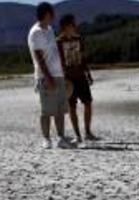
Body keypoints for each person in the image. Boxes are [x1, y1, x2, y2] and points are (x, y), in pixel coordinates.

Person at [28, 2, 75, 150]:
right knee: (47, 110)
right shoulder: (36, 32)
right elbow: (39, 57)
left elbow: (54, 53)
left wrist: (63, 73)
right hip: (45, 76)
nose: (54, 16)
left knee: (60, 109)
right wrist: (48, 78)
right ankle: (46, 139)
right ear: (47, 14)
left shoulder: (49, 29)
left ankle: (61, 138)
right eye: (52, 13)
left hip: (58, 73)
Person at [56, 14, 99, 143]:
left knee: (88, 103)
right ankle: (77, 135)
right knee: (72, 107)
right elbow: (56, 62)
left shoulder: (79, 39)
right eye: (72, 24)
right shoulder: (58, 42)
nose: (75, 26)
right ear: (65, 27)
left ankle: (87, 132)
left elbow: (83, 58)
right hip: (68, 79)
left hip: (81, 76)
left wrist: (89, 74)